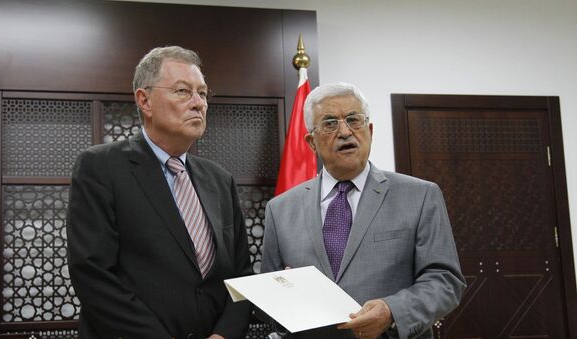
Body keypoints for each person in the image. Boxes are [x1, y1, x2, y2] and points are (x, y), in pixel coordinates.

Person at [68, 46, 252, 339]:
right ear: (145, 101)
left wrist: (224, 334)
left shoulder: (220, 180)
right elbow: (92, 274)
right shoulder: (101, 167)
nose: (198, 103)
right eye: (183, 91)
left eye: (202, 93)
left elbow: (241, 275)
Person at [261, 82, 466, 339]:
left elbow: (445, 281)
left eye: (353, 119)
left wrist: (393, 311)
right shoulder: (280, 210)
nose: (345, 132)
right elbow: (269, 298)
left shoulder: (421, 196)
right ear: (311, 143)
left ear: (369, 129)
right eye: (330, 123)